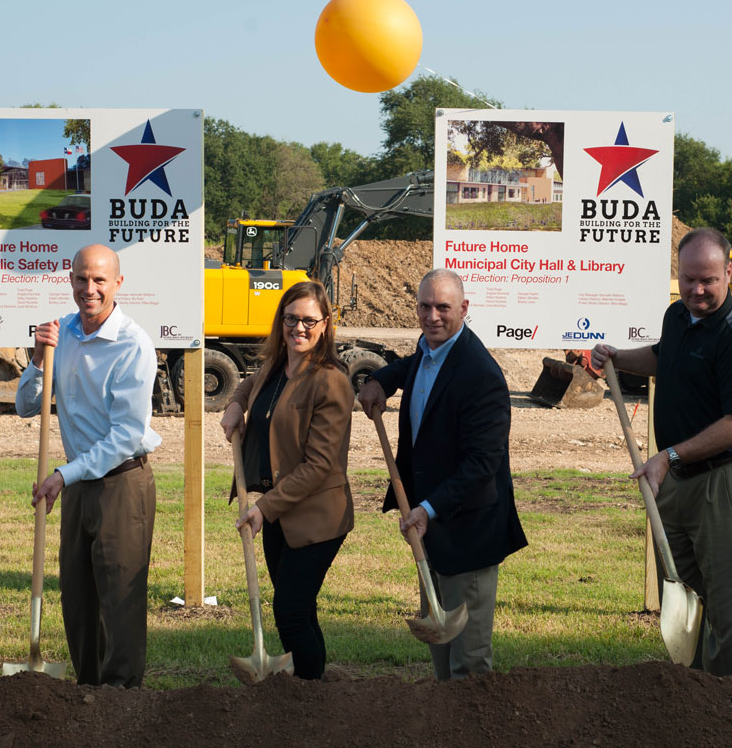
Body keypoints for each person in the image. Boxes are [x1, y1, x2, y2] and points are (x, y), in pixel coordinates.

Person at [592, 227, 732, 678]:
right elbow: (662, 357)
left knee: (726, 611)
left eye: (708, 279)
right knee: (684, 597)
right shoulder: (677, 315)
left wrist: (668, 456)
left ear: (728, 273)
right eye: (688, 278)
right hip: (677, 478)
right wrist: (615, 356)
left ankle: (726, 705)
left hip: (726, 483)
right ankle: (690, 701)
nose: (698, 289)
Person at [357, 268, 528, 680]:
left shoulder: (480, 375)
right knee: (439, 649)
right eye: (425, 306)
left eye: (443, 308)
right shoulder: (431, 351)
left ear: (464, 309)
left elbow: (482, 466)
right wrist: (381, 379)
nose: (433, 316)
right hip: (431, 529)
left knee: (467, 664)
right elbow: (413, 364)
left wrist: (427, 509)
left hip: (466, 533)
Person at [18, 244, 161, 688]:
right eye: (82, 279)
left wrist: (64, 475)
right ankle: (87, 692)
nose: (89, 289)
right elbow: (26, 405)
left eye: (100, 280)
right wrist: (38, 360)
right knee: (77, 596)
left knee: (119, 597)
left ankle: (122, 696)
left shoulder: (132, 344)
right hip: (78, 481)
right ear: (71, 279)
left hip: (122, 481)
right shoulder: (62, 335)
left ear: (118, 283)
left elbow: (126, 435)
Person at [219, 281, 355, 680]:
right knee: (297, 607)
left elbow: (320, 465)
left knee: (291, 611)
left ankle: (310, 694)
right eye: (291, 319)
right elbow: (250, 383)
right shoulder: (278, 366)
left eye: (309, 320)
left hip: (316, 518)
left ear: (326, 324)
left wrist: (264, 507)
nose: (299, 328)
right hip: (280, 513)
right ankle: (312, 684)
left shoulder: (330, 380)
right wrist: (234, 404)